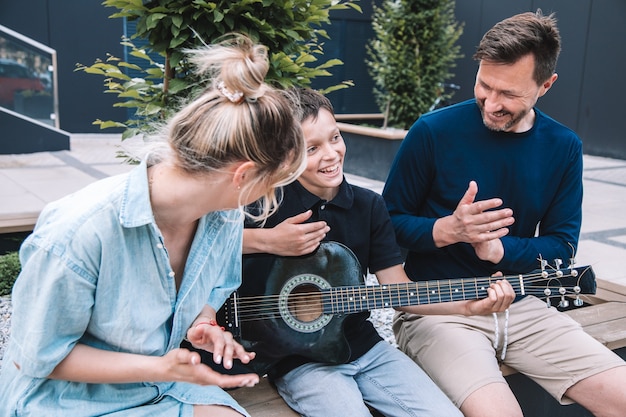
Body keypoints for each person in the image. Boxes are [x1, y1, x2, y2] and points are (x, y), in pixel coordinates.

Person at [0, 34, 307, 417]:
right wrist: (158, 366)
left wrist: (203, 323)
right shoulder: (80, 230)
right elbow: (34, 357)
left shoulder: (223, 217)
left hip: (159, 387)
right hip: (63, 401)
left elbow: (213, 286)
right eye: (271, 183)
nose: (268, 198)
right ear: (242, 175)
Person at [382, 10, 626, 417]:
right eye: (484, 85)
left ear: (546, 85)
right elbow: (385, 224)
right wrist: (447, 230)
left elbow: (561, 247)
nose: (491, 102)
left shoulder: (564, 147)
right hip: (440, 312)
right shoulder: (431, 131)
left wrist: (498, 251)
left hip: (524, 306)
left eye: (508, 94)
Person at [239, 87, 514, 417]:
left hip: (368, 349)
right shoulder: (264, 207)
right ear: (285, 157)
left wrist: (468, 307)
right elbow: (202, 246)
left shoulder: (369, 206)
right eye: (312, 148)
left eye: (335, 138)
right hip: (302, 361)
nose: (331, 154)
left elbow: (398, 290)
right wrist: (269, 241)